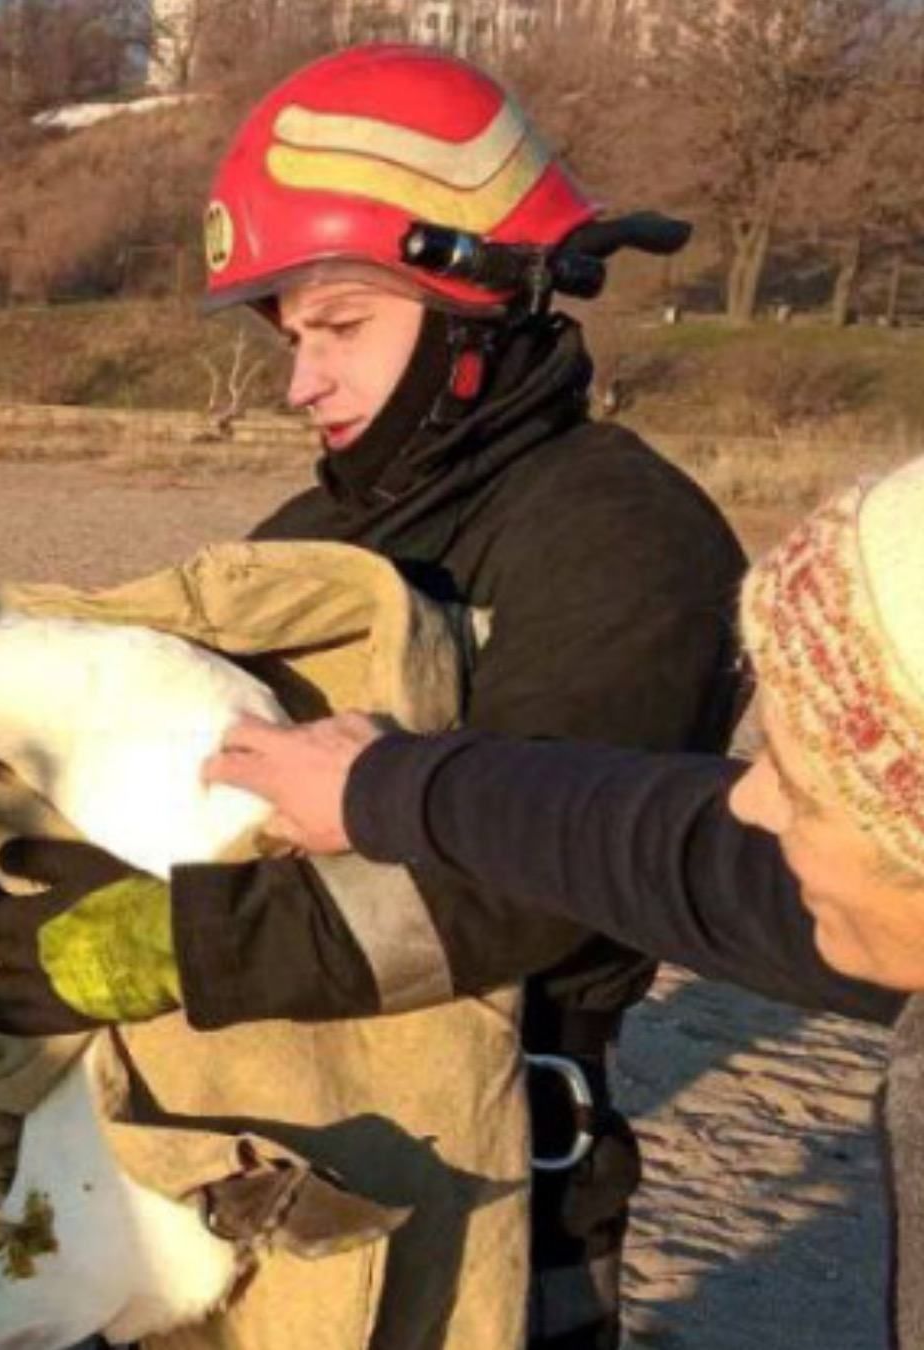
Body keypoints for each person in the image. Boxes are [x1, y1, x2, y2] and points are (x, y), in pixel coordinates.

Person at [0, 43, 745, 1348]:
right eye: (289, 336)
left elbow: (527, 879)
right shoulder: (305, 540)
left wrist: (167, 943)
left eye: (339, 326)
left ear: (479, 298)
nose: (301, 380)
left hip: (481, 1190)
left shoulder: (625, 542)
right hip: (223, 1160)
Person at [204, 456, 922, 1345]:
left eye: (805, 777)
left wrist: (183, 942)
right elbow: (678, 853)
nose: (749, 801)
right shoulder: (310, 520)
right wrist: (386, 786)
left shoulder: (620, 527)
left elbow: (537, 904)